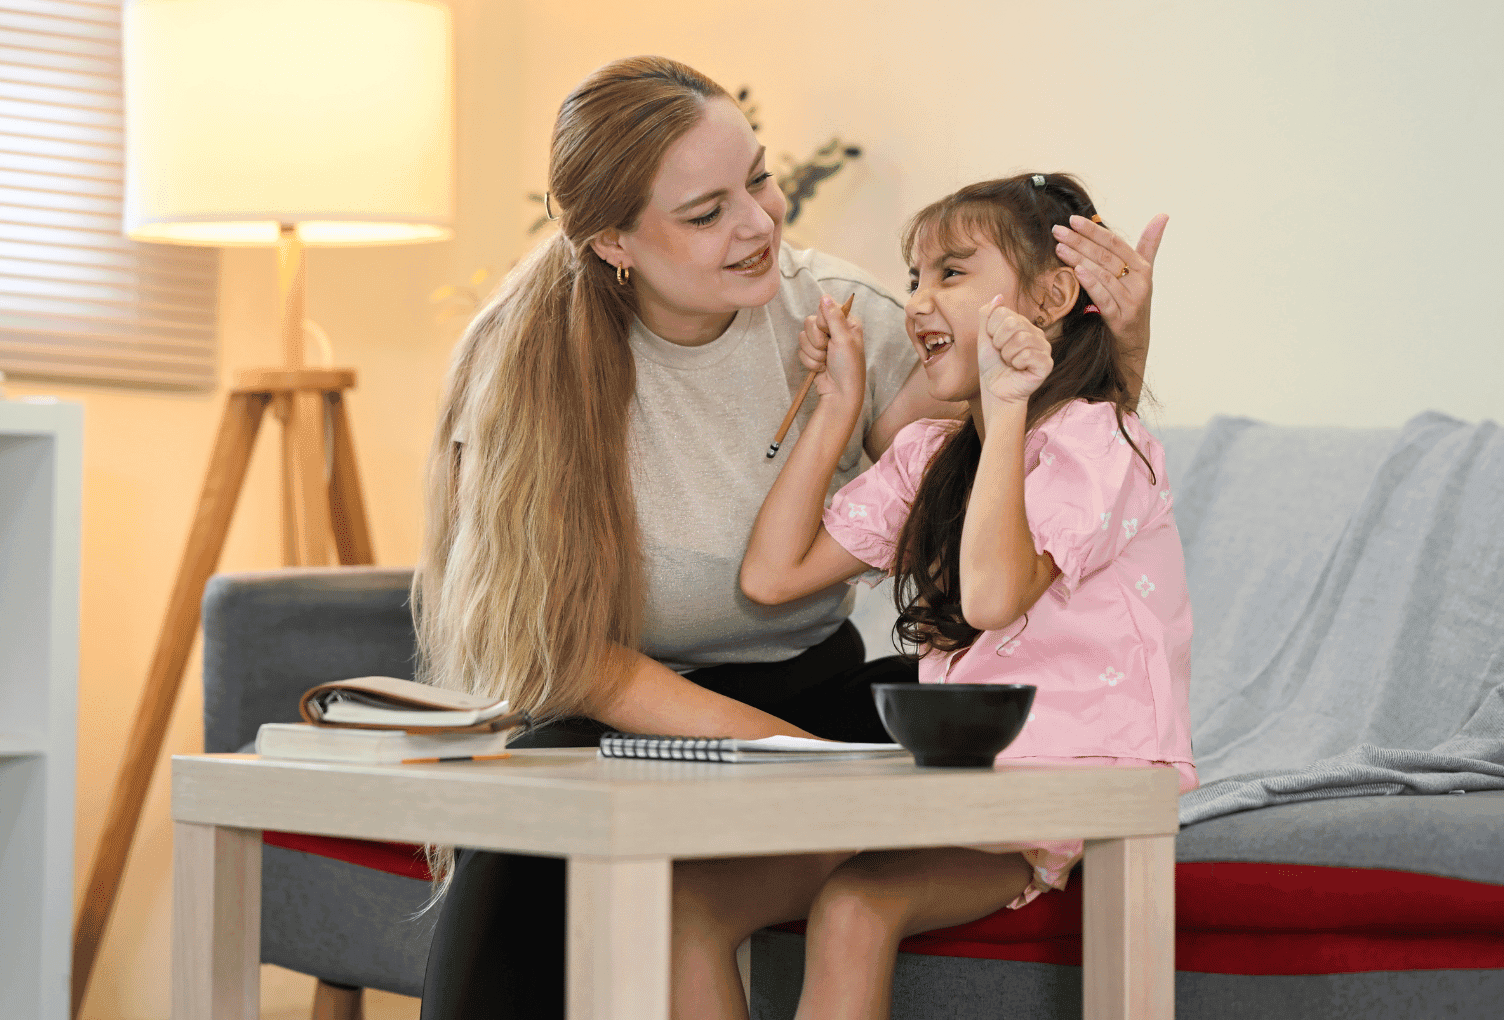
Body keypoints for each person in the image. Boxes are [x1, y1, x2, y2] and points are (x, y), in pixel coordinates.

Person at [413, 55, 1164, 1019]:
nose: (760, 223)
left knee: (965, 709)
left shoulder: (843, 312)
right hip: (626, 711)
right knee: (532, 821)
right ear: (613, 242)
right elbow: (570, 658)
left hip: (817, 685)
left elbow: (1020, 483)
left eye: (759, 179)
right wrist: (798, 764)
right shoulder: (521, 366)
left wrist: (1122, 343)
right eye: (706, 213)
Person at [672, 172, 1194, 1020]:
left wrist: (1008, 406)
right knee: (689, 904)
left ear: (1053, 296)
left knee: (856, 904)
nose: (916, 303)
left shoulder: (1097, 441)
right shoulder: (929, 454)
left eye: (951, 273)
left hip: (1059, 797)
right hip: (953, 791)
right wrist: (837, 407)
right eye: (915, 277)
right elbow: (772, 577)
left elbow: (991, 599)